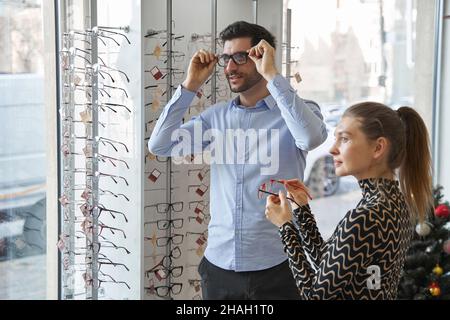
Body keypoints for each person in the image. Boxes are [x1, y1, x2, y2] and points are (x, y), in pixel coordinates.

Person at [148, 21, 327, 300]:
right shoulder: (216, 117)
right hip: (219, 269)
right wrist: (190, 85)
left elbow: (311, 138)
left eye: (241, 57)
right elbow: (160, 145)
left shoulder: (296, 113)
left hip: (280, 265)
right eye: (226, 58)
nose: (230, 67)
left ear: (263, 56)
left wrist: (272, 75)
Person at [265, 102, 434, 299]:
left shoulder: (366, 216)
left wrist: (286, 227)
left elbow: (315, 296)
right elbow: (329, 265)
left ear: (378, 148)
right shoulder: (394, 202)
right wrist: (301, 210)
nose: (332, 149)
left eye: (344, 139)